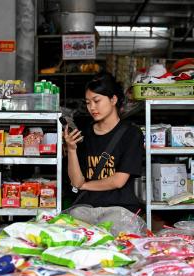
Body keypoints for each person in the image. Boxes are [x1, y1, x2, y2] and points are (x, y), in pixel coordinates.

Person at [63, 73, 146, 234]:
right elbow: (76, 181)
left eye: (97, 101)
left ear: (113, 100)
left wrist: (85, 185)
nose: (92, 107)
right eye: (88, 103)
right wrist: (72, 149)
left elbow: (118, 181)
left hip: (119, 209)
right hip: (85, 209)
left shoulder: (131, 134)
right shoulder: (84, 134)